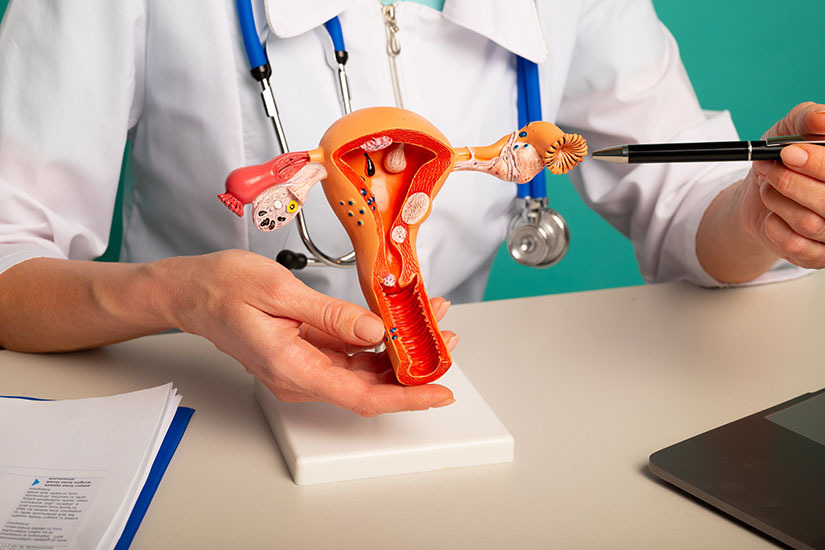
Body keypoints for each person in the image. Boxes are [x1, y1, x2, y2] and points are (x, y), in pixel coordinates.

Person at [0, 0, 822, 416]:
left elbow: (683, 200)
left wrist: (761, 213)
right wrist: (179, 296)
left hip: (436, 412)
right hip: (192, 410)